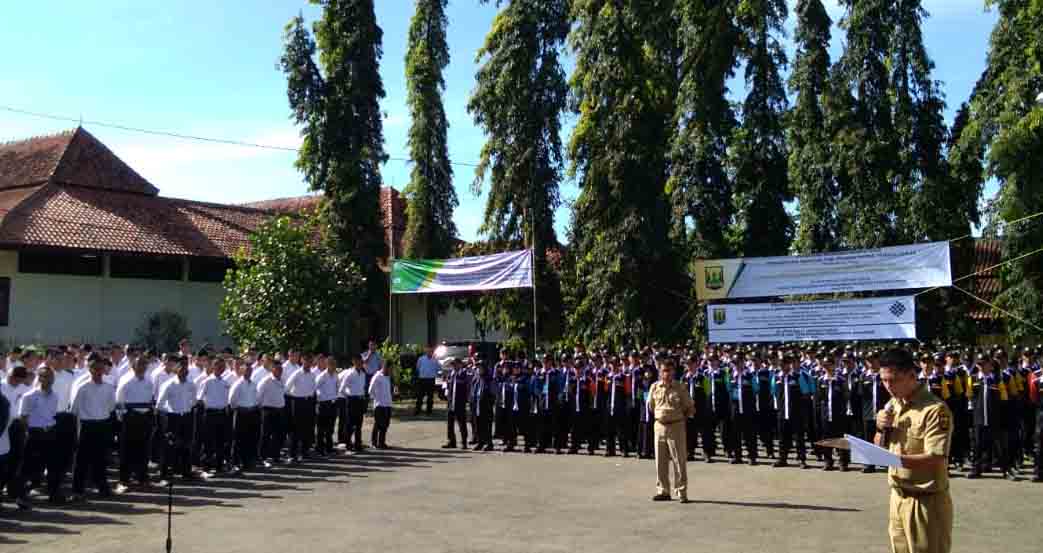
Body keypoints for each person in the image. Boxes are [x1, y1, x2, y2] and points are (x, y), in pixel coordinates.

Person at [876, 348, 954, 553]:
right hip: (898, 496)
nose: (888, 386)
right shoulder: (894, 404)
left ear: (912, 375)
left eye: (893, 380)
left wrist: (894, 460)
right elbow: (880, 444)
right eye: (884, 380)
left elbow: (936, 457)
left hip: (925, 501)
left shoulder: (934, 410)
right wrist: (880, 429)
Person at [11, 366, 62, 509]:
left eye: (50, 377)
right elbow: (23, 417)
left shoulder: (55, 396)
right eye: (45, 376)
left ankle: (54, 494)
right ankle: (21, 497)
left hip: (50, 432)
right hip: (35, 434)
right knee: (28, 467)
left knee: (53, 466)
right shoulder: (29, 396)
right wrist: (31, 432)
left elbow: (52, 415)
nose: (48, 379)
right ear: (39, 378)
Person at [70, 354, 117, 500]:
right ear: (89, 370)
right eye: (95, 368)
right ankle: (77, 491)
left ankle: (102, 487)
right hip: (87, 425)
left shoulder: (109, 388)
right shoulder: (82, 387)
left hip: (102, 424)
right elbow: (74, 409)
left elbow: (111, 407)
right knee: (82, 460)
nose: (98, 371)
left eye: (100, 368)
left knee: (101, 458)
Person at [648, 358, 694, 502]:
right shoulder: (655, 387)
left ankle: (681, 491)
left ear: (674, 371)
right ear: (660, 372)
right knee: (660, 461)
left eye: (669, 370)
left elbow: (689, 407)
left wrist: (678, 419)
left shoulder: (680, 387)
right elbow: (651, 406)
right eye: (664, 370)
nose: (667, 373)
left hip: (676, 426)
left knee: (678, 460)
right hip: (660, 426)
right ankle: (663, 490)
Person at [115, 357, 155, 492]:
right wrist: (123, 419)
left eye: (145, 364)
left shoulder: (149, 380)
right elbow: (119, 401)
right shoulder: (126, 380)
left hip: (145, 418)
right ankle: (123, 480)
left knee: (144, 450)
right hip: (130, 418)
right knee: (127, 451)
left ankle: (142, 478)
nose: (142, 367)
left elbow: (151, 398)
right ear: (133, 366)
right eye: (139, 364)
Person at [156, 357, 197, 483]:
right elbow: (159, 404)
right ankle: (164, 475)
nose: (184, 371)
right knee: (169, 447)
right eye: (181, 368)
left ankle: (186, 472)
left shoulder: (191, 384)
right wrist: (168, 416)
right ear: (176, 369)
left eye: (186, 368)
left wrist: (188, 409)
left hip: (186, 417)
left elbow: (194, 400)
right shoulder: (168, 384)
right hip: (172, 418)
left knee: (186, 446)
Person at [229, 359, 260, 473]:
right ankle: (235, 463)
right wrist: (240, 408)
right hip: (241, 413)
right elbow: (232, 400)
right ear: (242, 370)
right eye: (247, 370)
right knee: (238, 439)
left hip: (252, 413)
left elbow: (256, 398)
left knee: (250, 439)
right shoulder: (238, 384)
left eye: (251, 370)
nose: (249, 372)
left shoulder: (253, 384)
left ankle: (247, 462)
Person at [257, 362, 287, 466]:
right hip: (268, 410)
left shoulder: (282, 380)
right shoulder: (266, 381)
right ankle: (263, 458)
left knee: (278, 435)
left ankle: (276, 456)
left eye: (281, 369)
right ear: (272, 369)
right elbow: (258, 396)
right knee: (265, 435)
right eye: (277, 369)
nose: (280, 371)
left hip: (280, 410)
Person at [338, 353, 367, 452]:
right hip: (351, 400)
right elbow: (341, 388)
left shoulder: (363, 374)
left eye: (361, 361)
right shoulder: (350, 373)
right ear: (353, 362)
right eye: (357, 361)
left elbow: (362, 388)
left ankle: (358, 444)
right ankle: (348, 445)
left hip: (360, 400)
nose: (360, 363)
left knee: (359, 424)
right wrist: (349, 396)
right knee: (349, 424)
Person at [443, 358, 470, 449]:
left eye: (455, 364)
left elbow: (467, 386)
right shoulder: (451, 373)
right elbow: (447, 385)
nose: (454, 366)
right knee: (450, 423)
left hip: (460, 402)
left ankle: (464, 442)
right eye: (453, 365)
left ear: (460, 364)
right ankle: (451, 441)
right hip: (451, 401)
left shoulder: (464, 373)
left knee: (462, 423)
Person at [314, 356, 339, 457]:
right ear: (327, 364)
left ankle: (329, 448)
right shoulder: (322, 376)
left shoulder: (335, 375)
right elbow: (315, 388)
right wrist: (320, 397)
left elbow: (337, 386)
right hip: (324, 404)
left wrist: (335, 396)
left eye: (334, 364)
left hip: (332, 403)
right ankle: (319, 448)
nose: (333, 366)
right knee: (321, 428)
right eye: (331, 364)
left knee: (330, 427)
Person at [368, 363, 393, 449]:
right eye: (389, 369)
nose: (390, 371)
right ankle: (373, 442)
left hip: (388, 404)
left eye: (391, 369)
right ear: (384, 367)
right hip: (379, 405)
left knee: (385, 425)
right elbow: (370, 390)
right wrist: (377, 398)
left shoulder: (388, 376)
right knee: (378, 424)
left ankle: (382, 442)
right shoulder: (377, 376)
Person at [415, 344, 440, 416]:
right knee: (420, 396)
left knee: (430, 397)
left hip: (431, 380)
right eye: (428, 350)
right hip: (422, 379)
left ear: (432, 352)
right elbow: (418, 368)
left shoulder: (435, 360)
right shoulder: (421, 359)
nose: (429, 352)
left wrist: (439, 381)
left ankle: (429, 411)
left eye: (431, 351)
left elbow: (439, 369)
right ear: (426, 351)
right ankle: (417, 410)